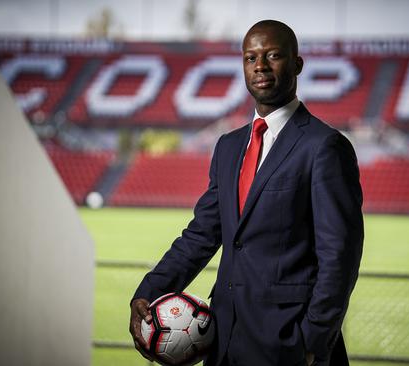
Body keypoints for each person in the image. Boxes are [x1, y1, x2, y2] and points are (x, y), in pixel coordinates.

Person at [130, 19, 364, 366]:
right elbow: (201, 235)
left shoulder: (325, 147)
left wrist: (314, 340)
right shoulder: (228, 146)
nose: (261, 67)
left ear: (297, 64)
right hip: (223, 340)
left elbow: (340, 255)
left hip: (290, 345)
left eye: (273, 55)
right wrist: (150, 291)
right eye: (251, 58)